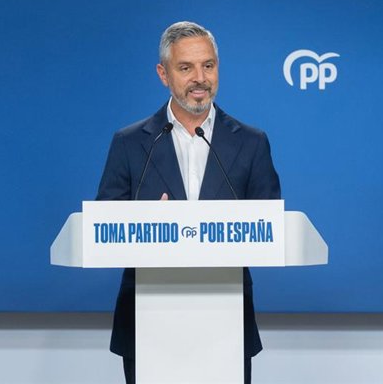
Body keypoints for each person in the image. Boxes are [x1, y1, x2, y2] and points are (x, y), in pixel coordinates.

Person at [96, 21, 282, 384]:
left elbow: (272, 229)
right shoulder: (130, 143)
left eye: (208, 65)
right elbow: (103, 229)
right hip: (147, 323)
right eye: (186, 68)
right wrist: (146, 225)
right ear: (163, 74)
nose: (200, 78)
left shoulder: (251, 143)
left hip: (226, 323)